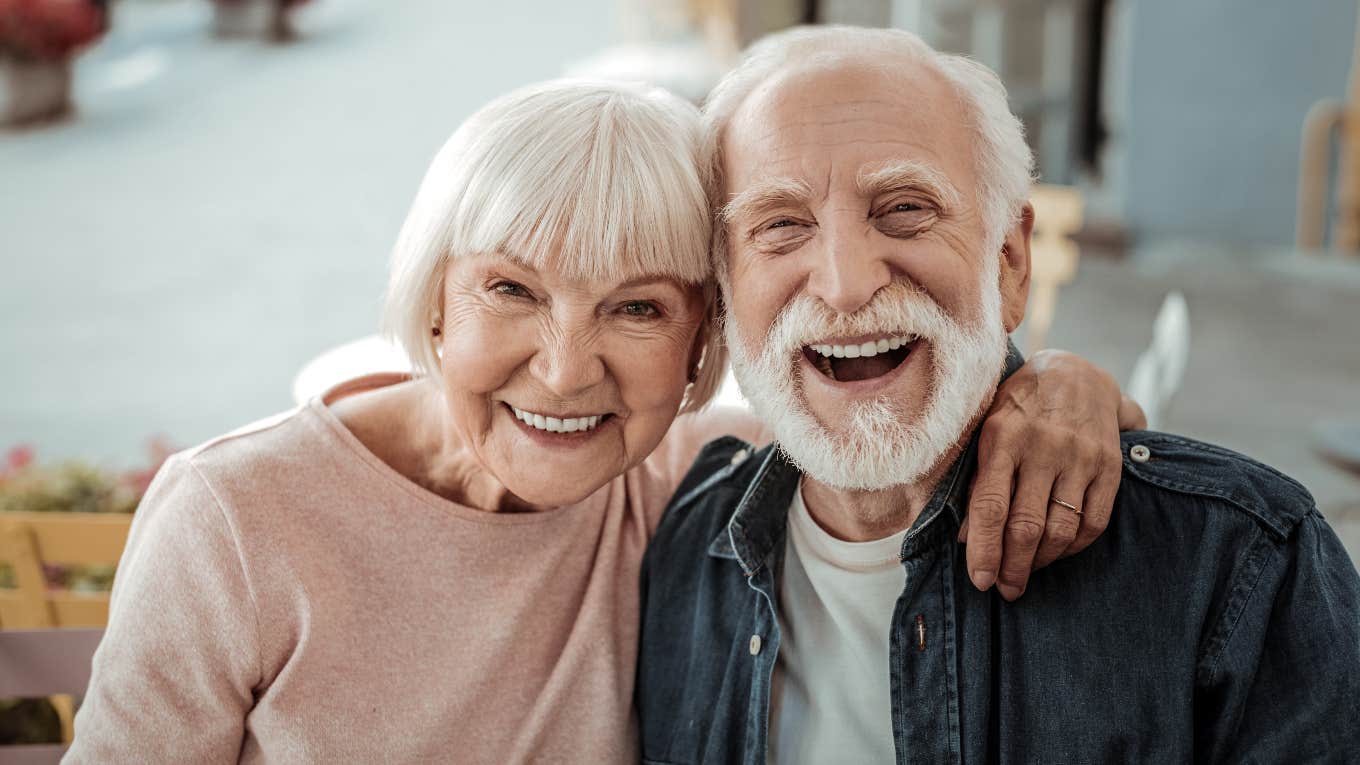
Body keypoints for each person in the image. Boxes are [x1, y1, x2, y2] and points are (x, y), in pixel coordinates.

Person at [68, 79, 1136, 763]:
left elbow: (905, 414)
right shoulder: (237, 517)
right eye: (510, 290)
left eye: (636, 308)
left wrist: (1054, 384)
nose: (566, 368)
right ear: (432, 297)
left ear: (699, 346)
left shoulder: (697, 481)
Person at [635, 26, 1360, 764]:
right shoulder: (681, 545)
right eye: (782, 225)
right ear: (724, 296)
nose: (846, 283)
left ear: (1010, 264)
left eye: (904, 208)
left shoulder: (1239, 565)